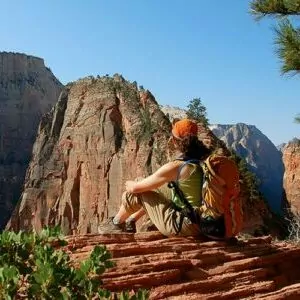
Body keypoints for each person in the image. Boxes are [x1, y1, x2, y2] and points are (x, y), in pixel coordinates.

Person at [98, 119, 214, 236]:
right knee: (148, 185)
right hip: (201, 221)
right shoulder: (200, 160)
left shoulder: (176, 166)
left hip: (184, 225)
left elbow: (135, 189)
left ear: (175, 141)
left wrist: (129, 184)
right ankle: (130, 220)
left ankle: (116, 223)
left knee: (137, 191)